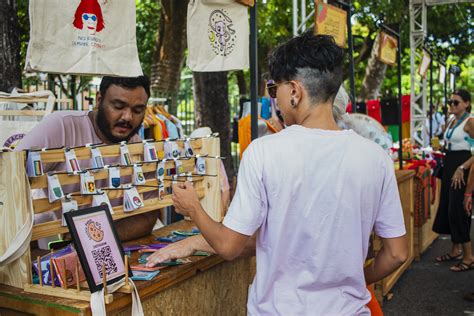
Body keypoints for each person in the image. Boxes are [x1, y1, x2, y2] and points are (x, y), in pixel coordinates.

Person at [147, 32, 408, 315]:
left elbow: (230, 246)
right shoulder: (375, 158)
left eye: (275, 90)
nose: (276, 100)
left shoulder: (264, 153)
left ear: (295, 91)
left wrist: (194, 208)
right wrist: (358, 283)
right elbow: (397, 253)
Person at [16, 76, 160, 244]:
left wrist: (87, 239)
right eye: (118, 106)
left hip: (108, 248)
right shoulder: (61, 126)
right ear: (99, 100)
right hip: (46, 245)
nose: (127, 117)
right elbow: (10, 180)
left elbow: (147, 218)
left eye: (137, 110)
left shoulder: (140, 150)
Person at [433, 89, 474, 272]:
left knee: (458, 210)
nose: (451, 105)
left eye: (456, 102)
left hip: (462, 168)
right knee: (449, 208)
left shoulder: (470, 121)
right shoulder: (451, 120)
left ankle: (469, 256)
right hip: (450, 165)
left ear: (466, 103)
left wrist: (462, 167)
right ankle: (455, 250)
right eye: (450, 102)